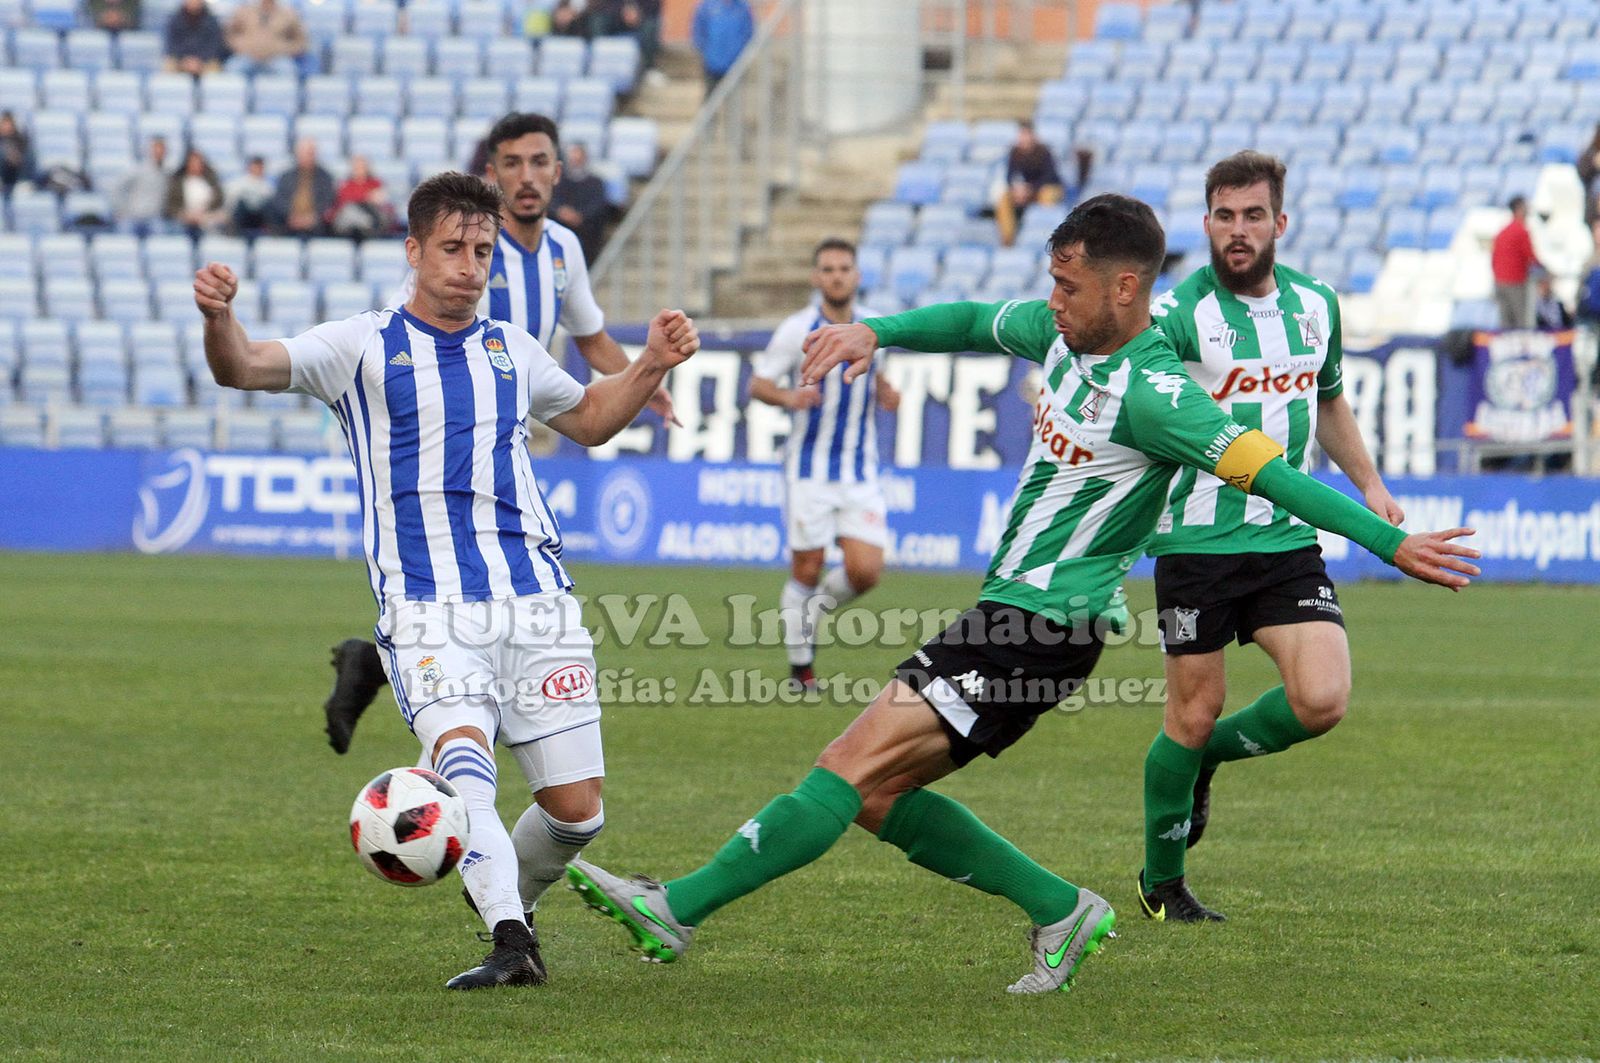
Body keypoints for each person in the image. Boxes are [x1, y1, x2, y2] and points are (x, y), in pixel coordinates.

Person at [564, 194, 1480, 994]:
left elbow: (1276, 474)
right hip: (1017, 614)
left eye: (1069, 285)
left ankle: (674, 908)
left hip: (1041, 625)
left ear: (1126, 288)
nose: (1052, 301)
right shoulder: (1061, 331)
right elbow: (970, 321)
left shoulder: (1160, 394)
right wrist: (874, 331)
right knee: (877, 797)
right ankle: (1059, 909)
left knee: (848, 762)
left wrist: (1388, 538)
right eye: (1051, 282)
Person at [195, 170, 701, 989]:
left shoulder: (510, 347)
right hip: (428, 608)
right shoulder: (358, 345)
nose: (470, 266)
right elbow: (243, 366)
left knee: (579, 814)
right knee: (467, 768)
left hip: (537, 600)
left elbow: (594, 420)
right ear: (414, 251)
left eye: (483, 251)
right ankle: (511, 938)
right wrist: (220, 316)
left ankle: (510, 900)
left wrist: (651, 364)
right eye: (454, 249)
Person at [320, 112, 678, 756]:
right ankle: (441, 716)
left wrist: (641, 381)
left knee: (489, 579)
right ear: (492, 173)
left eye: (539, 162)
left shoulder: (565, 249)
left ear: (558, 172)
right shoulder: (464, 243)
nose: (527, 176)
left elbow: (590, 334)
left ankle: (383, 666)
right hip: (449, 425)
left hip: (516, 414)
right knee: (461, 584)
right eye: (511, 163)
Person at [1136, 151, 1405, 922]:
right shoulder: (1177, 315)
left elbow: (1329, 403)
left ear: (1280, 222)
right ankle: (1163, 883)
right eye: (1224, 215)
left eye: (1253, 215)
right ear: (1207, 223)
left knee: (1322, 698)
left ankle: (1211, 756)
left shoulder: (1317, 306)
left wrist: (1369, 484)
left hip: (1285, 537)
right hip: (1194, 542)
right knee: (1189, 712)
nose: (1238, 230)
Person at [748, 238, 901, 690]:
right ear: (817, 278)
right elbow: (758, 384)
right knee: (808, 568)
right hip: (808, 468)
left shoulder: (874, 328)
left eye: (844, 268)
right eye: (828, 269)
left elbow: (878, 376)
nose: (836, 276)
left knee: (865, 571)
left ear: (856, 276)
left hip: (859, 469)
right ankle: (802, 670)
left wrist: (887, 392)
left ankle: (809, 614)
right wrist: (788, 397)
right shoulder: (797, 330)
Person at [995, 121, 1064, 247]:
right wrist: (1017, 189)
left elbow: (1050, 176)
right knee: (1004, 198)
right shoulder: (1014, 152)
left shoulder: (1044, 152)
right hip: (1026, 190)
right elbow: (1009, 176)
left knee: (1047, 194)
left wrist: (1031, 188)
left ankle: (1045, 235)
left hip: (1047, 187)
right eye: (1022, 135)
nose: (1024, 139)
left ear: (1033, 136)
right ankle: (1008, 239)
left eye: (1026, 135)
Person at [548, 142, 609, 263]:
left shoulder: (596, 182)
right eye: (573, 154)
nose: (575, 158)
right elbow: (550, 202)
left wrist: (580, 216)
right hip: (558, 230)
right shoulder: (556, 182)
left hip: (587, 233)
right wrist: (561, 212)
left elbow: (598, 205)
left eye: (578, 154)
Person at [1491, 196, 1542, 331]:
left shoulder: (1502, 231)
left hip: (1500, 281)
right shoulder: (1521, 231)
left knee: (1505, 321)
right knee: (1521, 322)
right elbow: (1530, 256)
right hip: (1516, 282)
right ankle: (1520, 351)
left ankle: (1507, 350)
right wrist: (1545, 270)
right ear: (1519, 209)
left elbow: (1494, 257)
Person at [267, 137, 336, 237]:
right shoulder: (286, 176)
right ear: (297, 154)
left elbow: (328, 201)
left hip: (316, 224)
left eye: (310, 153)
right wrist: (291, 216)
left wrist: (312, 218)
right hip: (288, 221)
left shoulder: (325, 177)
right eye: (304, 153)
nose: (307, 156)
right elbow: (279, 200)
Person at [224, 0, 308, 78]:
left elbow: (301, 41)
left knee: (288, 70)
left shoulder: (289, 14)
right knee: (233, 67)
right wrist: (242, 46)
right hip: (248, 56)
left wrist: (284, 48)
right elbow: (230, 35)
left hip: (277, 58)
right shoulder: (244, 11)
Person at [692, 0, 754, 94]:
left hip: (736, 64)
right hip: (712, 63)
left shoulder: (742, 7)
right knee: (711, 98)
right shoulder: (707, 6)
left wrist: (742, 53)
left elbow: (748, 32)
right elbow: (698, 31)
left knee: (735, 101)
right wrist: (706, 52)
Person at [115, 135, 171, 236]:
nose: (158, 152)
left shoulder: (167, 172)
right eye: (155, 148)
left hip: (154, 218)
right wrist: (121, 209)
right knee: (124, 241)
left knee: (162, 239)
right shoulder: (138, 169)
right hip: (133, 216)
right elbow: (117, 187)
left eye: (161, 149)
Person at [592, 0, 662, 80]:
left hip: (641, 16)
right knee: (597, 21)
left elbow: (654, 5)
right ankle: (598, 65)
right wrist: (622, 11)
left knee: (650, 26)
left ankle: (648, 68)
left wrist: (638, 12)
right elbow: (603, 4)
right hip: (615, 15)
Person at [164, 146, 226, 237]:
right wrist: (186, 214)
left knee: (223, 217)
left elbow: (219, 199)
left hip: (208, 214)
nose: (195, 165)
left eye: (198, 162)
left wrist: (205, 212)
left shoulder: (211, 180)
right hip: (185, 216)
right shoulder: (178, 182)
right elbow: (171, 205)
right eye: (193, 162)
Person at [329, 155, 394, 239]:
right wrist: (367, 197)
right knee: (350, 211)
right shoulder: (345, 185)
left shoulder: (376, 184)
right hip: (350, 227)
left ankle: (368, 223)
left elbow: (385, 205)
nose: (359, 169)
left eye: (362, 167)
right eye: (356, 167)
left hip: (372, 220)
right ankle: (367, 222)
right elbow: (342, 205)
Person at [163, 0, 226, 76]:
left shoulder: (212, 21)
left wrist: (199, 61)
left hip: (205, 61)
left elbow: (214, 46)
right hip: (181, 60)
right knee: (169, 65)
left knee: (215, 68)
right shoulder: (174, 20)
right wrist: (186, 61)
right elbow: (171, 45)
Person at [224, 155, 275, 236]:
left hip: (259, 218)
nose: (257, 170)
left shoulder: (268, 187)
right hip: (242, 217)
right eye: (255, 166)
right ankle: (233, 233)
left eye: (260, 167)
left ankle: (271, 234)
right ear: (249, 167)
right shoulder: (237, 184)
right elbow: (230, 203)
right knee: (241, 203)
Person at [0, 111, 35, 199]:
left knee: (29, 154)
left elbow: (25, 157)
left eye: (8, 123)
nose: (5, 126)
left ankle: (24, 181)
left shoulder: (21, 138)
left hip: (17, 174)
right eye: (3, 123)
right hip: (2, 173)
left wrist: (14, 156)